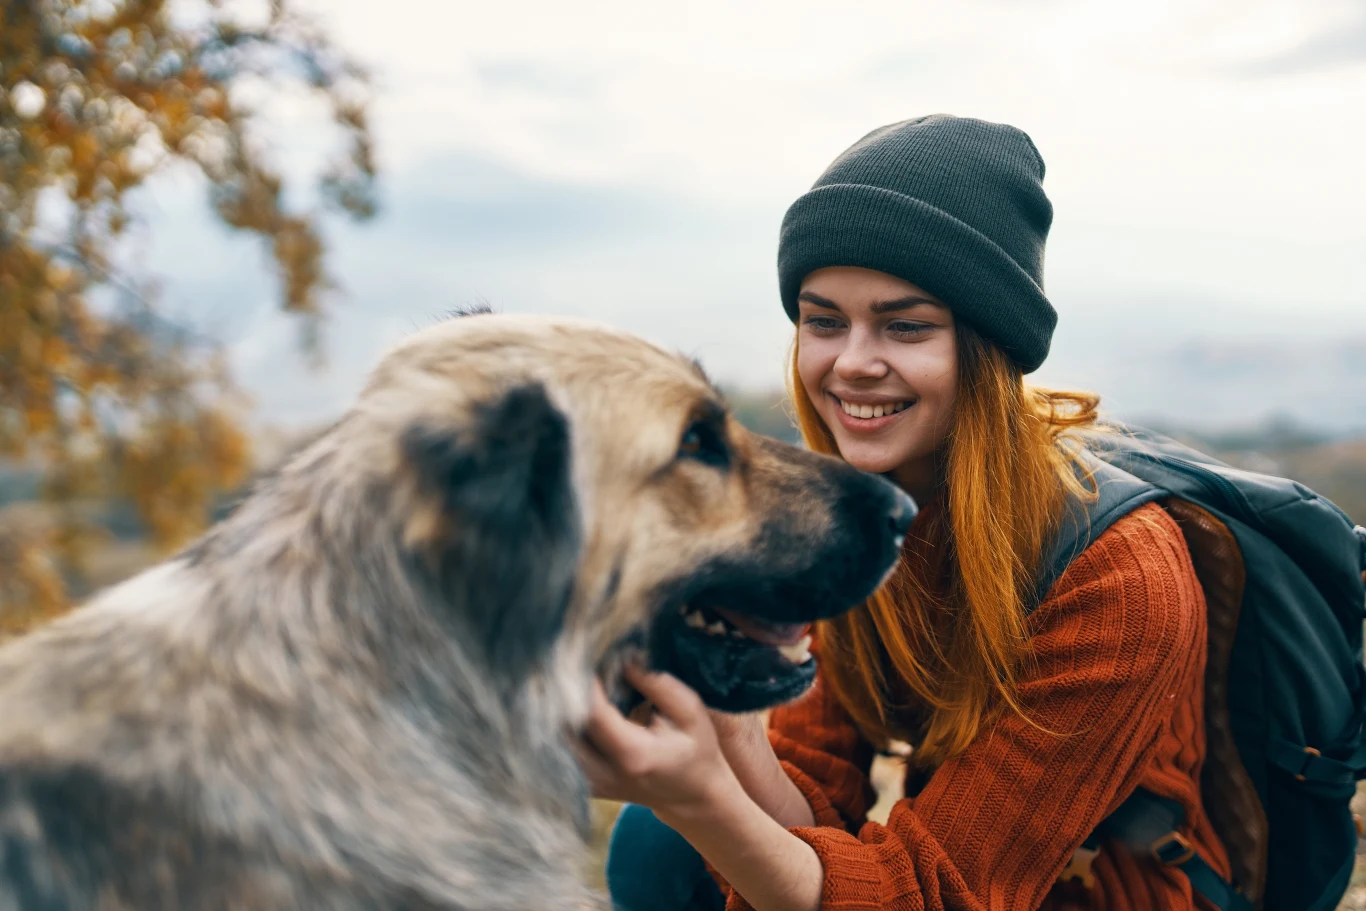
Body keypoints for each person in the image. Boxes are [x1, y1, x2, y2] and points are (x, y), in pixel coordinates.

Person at [579, 114, 1234, 911]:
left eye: (906, 325)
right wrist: (735, 726)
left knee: (696, 823)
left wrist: (700, 796)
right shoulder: (856, 510)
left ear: (987, 347)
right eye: (823, 320)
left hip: (1106, 892)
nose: (852, 362)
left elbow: (934, 893)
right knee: (660, 844)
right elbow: (809, 806)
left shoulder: (1123, 576)